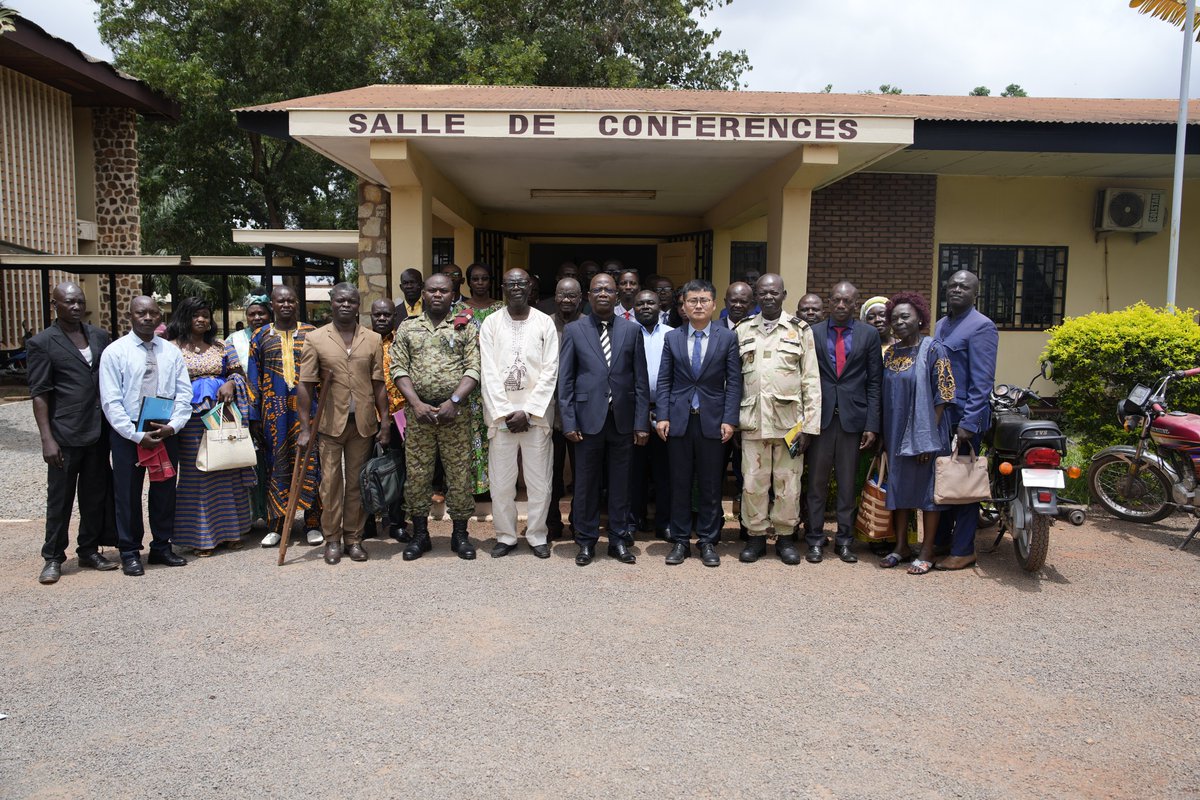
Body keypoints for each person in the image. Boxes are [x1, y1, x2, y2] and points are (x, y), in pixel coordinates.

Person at [27, 282, 118, 583]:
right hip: (64, 435)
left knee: (94, 495)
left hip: (98, 432)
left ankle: (89, 550)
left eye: (79, 301)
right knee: (60, 500)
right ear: (55, 305)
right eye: (69, 302)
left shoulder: (99, 336)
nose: (76, 306)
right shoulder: (42, 342)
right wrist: (47, 438)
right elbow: (40, 393)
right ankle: (53, 557)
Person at [558, 272, 650, 566]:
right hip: (586, 421)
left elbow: (640, 381)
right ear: (588, 296)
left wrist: (641, 423)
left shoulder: (631, 330)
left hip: (622, 420)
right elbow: (565, 380)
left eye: (608, 290)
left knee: (621, 483)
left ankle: (618, 540)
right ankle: (586, 541)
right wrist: (569, 421)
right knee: (586, 484)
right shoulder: (575, 330)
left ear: (616, 296)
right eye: (597, 289)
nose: (602, 294)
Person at [297, 283, 390, 565]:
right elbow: (305, 385)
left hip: (362, 424)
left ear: (358, 304)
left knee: (357, 484)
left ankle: (353, 539)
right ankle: (332, 540)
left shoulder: (372, 339)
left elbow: (378, 383)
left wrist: (385, 420)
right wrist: (305, 428)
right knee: (330, 485)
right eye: (340, 300)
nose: (346, 305)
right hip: (329, 425)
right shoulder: (315, 338)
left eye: (351, 301)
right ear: (332, 303)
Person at [99, 296, 193, 576]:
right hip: (129, 432)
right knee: (127, 494)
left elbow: (183, 393)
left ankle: (162, 546)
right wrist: (134, 435)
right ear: (130, 316)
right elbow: (111, 401)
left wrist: (173, 426)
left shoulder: (171, 352)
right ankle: (129, 551)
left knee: (164, 491)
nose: (148, 318)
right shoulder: (115, 352)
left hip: (164, 429)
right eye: (141, 313)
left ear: (160, 316)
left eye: (153, 313)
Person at [390, 273, 481, 561]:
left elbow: (474, 368)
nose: (437, 295)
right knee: (417, 475)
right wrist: (416, 403)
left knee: (459, 475)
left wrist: (454, 401)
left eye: (444, 290)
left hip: (456, 415)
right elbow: (398, 368)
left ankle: (460, 535)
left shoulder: (465, 327)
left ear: (453, 294)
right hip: (419, 416)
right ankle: (420, 535)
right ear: (423, 293)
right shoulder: (408, 327)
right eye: (432, 290)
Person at [656, 279, 742, 567]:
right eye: (692, 300)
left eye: (704, 300)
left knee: (710, 484)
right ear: (684, 305)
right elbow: (665, 380)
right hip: (679, 421)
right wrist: (663, 415)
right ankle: (681, 540)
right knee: (679, 483)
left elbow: (734, 383)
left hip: (713, 422)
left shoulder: (727, 337)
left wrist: (730, 419)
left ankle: (707, 540)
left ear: (714, 304)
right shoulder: (673, 337)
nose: (698, 305)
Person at [736, 274, 821, 565]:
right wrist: (732, 421)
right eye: (763, 293)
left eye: (774, 292)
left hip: (790, 426)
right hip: (752, 421)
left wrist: (809, 426)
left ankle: (785, 538)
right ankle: (756, 537)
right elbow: (733, 380)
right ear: (756, 296)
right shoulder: (743, 329)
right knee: (753, 483)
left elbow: (811, 380)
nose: (768, 297)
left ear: (784, 295)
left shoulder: (800, 330)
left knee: (789, 484)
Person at [480, 268, 559, 559]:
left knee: (540, 484)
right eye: (510, 283)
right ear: (503, 288)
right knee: (501, 484)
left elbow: (550, 370)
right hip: (501, 419)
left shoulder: (544, 323)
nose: (516, 288)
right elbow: (488, 372)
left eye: (521, 283)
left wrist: (528, 411)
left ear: (530, 287)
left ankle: (537, 535)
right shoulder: (490, 323)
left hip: (536, 418)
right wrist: (505, 412)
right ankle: (506, 535)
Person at [165, 296, 254, 557]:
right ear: (184, 317)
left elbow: (238, 374)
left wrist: (230, 383)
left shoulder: (222, 345)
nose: (201, 319)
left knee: (227, 468)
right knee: (198, 473)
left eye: (205, 315)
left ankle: (233, 533)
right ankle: (201, 538)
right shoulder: (171, 348)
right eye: (195, 315)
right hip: (190, 419)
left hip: (222, 414)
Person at [877, 293, 956, 575]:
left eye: (905, 316)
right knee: (898, 488)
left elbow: (943, 395)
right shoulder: (891, 353)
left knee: (927, 494)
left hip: (927, 433)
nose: (899, 322)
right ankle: (901, 547)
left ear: (920, 318)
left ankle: (927, 550)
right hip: (895, 432)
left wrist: (926, 440)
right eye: (894, 318)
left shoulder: (934, 349)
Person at [806, 281, 882, 565]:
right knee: (817, 484)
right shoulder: (812, 332)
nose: (840, 305)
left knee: (848, 486)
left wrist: (872, 424)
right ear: (829, 301)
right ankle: (815, 540)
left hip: (854, 421)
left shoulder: (869, 334)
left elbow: (874, 382)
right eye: (836, 300)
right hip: (820, 420)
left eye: (846, 301)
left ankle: (844, 541)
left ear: (855, 304)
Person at [246, 285, 323, 547]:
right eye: (281, 301)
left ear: (297, 303)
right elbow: (253, 377)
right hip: (273, 412)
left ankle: (313, 523)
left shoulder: (311, 333)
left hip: (309, 411)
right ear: (273, 305)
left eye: (291, 300)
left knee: (311, 464)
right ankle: (276, 524)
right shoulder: (260, 336)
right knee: (275, 465)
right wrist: (254, 415)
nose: (286, 305)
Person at [933, 270, 998, 570]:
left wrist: (969, 423)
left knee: (964, 483)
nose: (957, 290)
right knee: (945, 478)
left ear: (975, 293)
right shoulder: (941, 324)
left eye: (964, 287)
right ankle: (941, 541)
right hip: (942, 415)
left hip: (964, 418)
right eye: (952, 286)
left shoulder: (982, 326)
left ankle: (963, 550)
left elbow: (982, 381)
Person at [364, 297, 409, 543]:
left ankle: (396, 522)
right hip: (367, 416)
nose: (382, 319)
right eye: (377, 315)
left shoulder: (403, 340)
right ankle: (367, 521)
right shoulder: (362, 341)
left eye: (387, 315)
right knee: (366, 468)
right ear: (371, 316)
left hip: (398, 416)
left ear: (394, 317)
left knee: (397, 469)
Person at [629, 289, 673, 540]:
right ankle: (634, 520)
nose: (645, 307)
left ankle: (664, 522)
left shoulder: (672, 335)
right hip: (633, 411)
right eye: (640, 303)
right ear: (633, 308)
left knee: (664, 471)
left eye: (650, 303)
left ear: (659, 307)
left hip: (664, 411)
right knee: (633, 472)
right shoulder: (625, 333)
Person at [547, 276, 583, 540]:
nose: (567, 300)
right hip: (548, 411)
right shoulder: (543, 324)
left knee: (582, 474)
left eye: (572, 295)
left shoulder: (590, 325)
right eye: (562, 295)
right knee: (550, 473)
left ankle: (579, 522)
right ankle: (551, 523)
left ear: (580, 298)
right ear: (555, 297)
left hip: (581, 413)